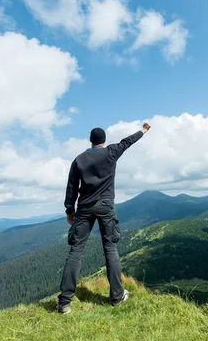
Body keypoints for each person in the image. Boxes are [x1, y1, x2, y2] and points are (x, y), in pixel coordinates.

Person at [57, 122, 151, 314]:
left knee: (76, 251)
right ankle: (117, 297)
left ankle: (65, 302)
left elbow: (71, 188)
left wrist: (69, 210)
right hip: (106, 206)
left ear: (91, 141)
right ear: (103, 140)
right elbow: (128, 141)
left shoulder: (79, 160)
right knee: (110, 248)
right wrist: (144, 130)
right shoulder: (111, 152)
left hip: (84, 207)